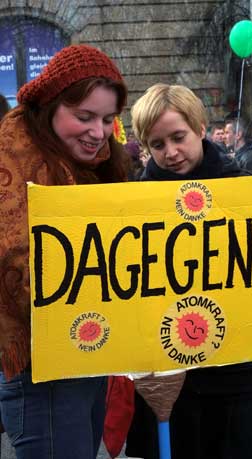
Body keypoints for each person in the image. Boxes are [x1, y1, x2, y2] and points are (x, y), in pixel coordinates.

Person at [125, 83, 252, 459]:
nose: (170, 152)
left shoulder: (241, 189)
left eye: (178, 137)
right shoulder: (132, 204)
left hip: (233, 382)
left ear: (200, 127)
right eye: (157, 144)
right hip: (163, 390)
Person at [0, 44, 128, 458]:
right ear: (51, 106)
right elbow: (15, 262)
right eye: (85, 117)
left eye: (108, 119)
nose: (99, 132)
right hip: (41, 373)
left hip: (86, 358)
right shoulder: (12, 160)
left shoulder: (90, 166)